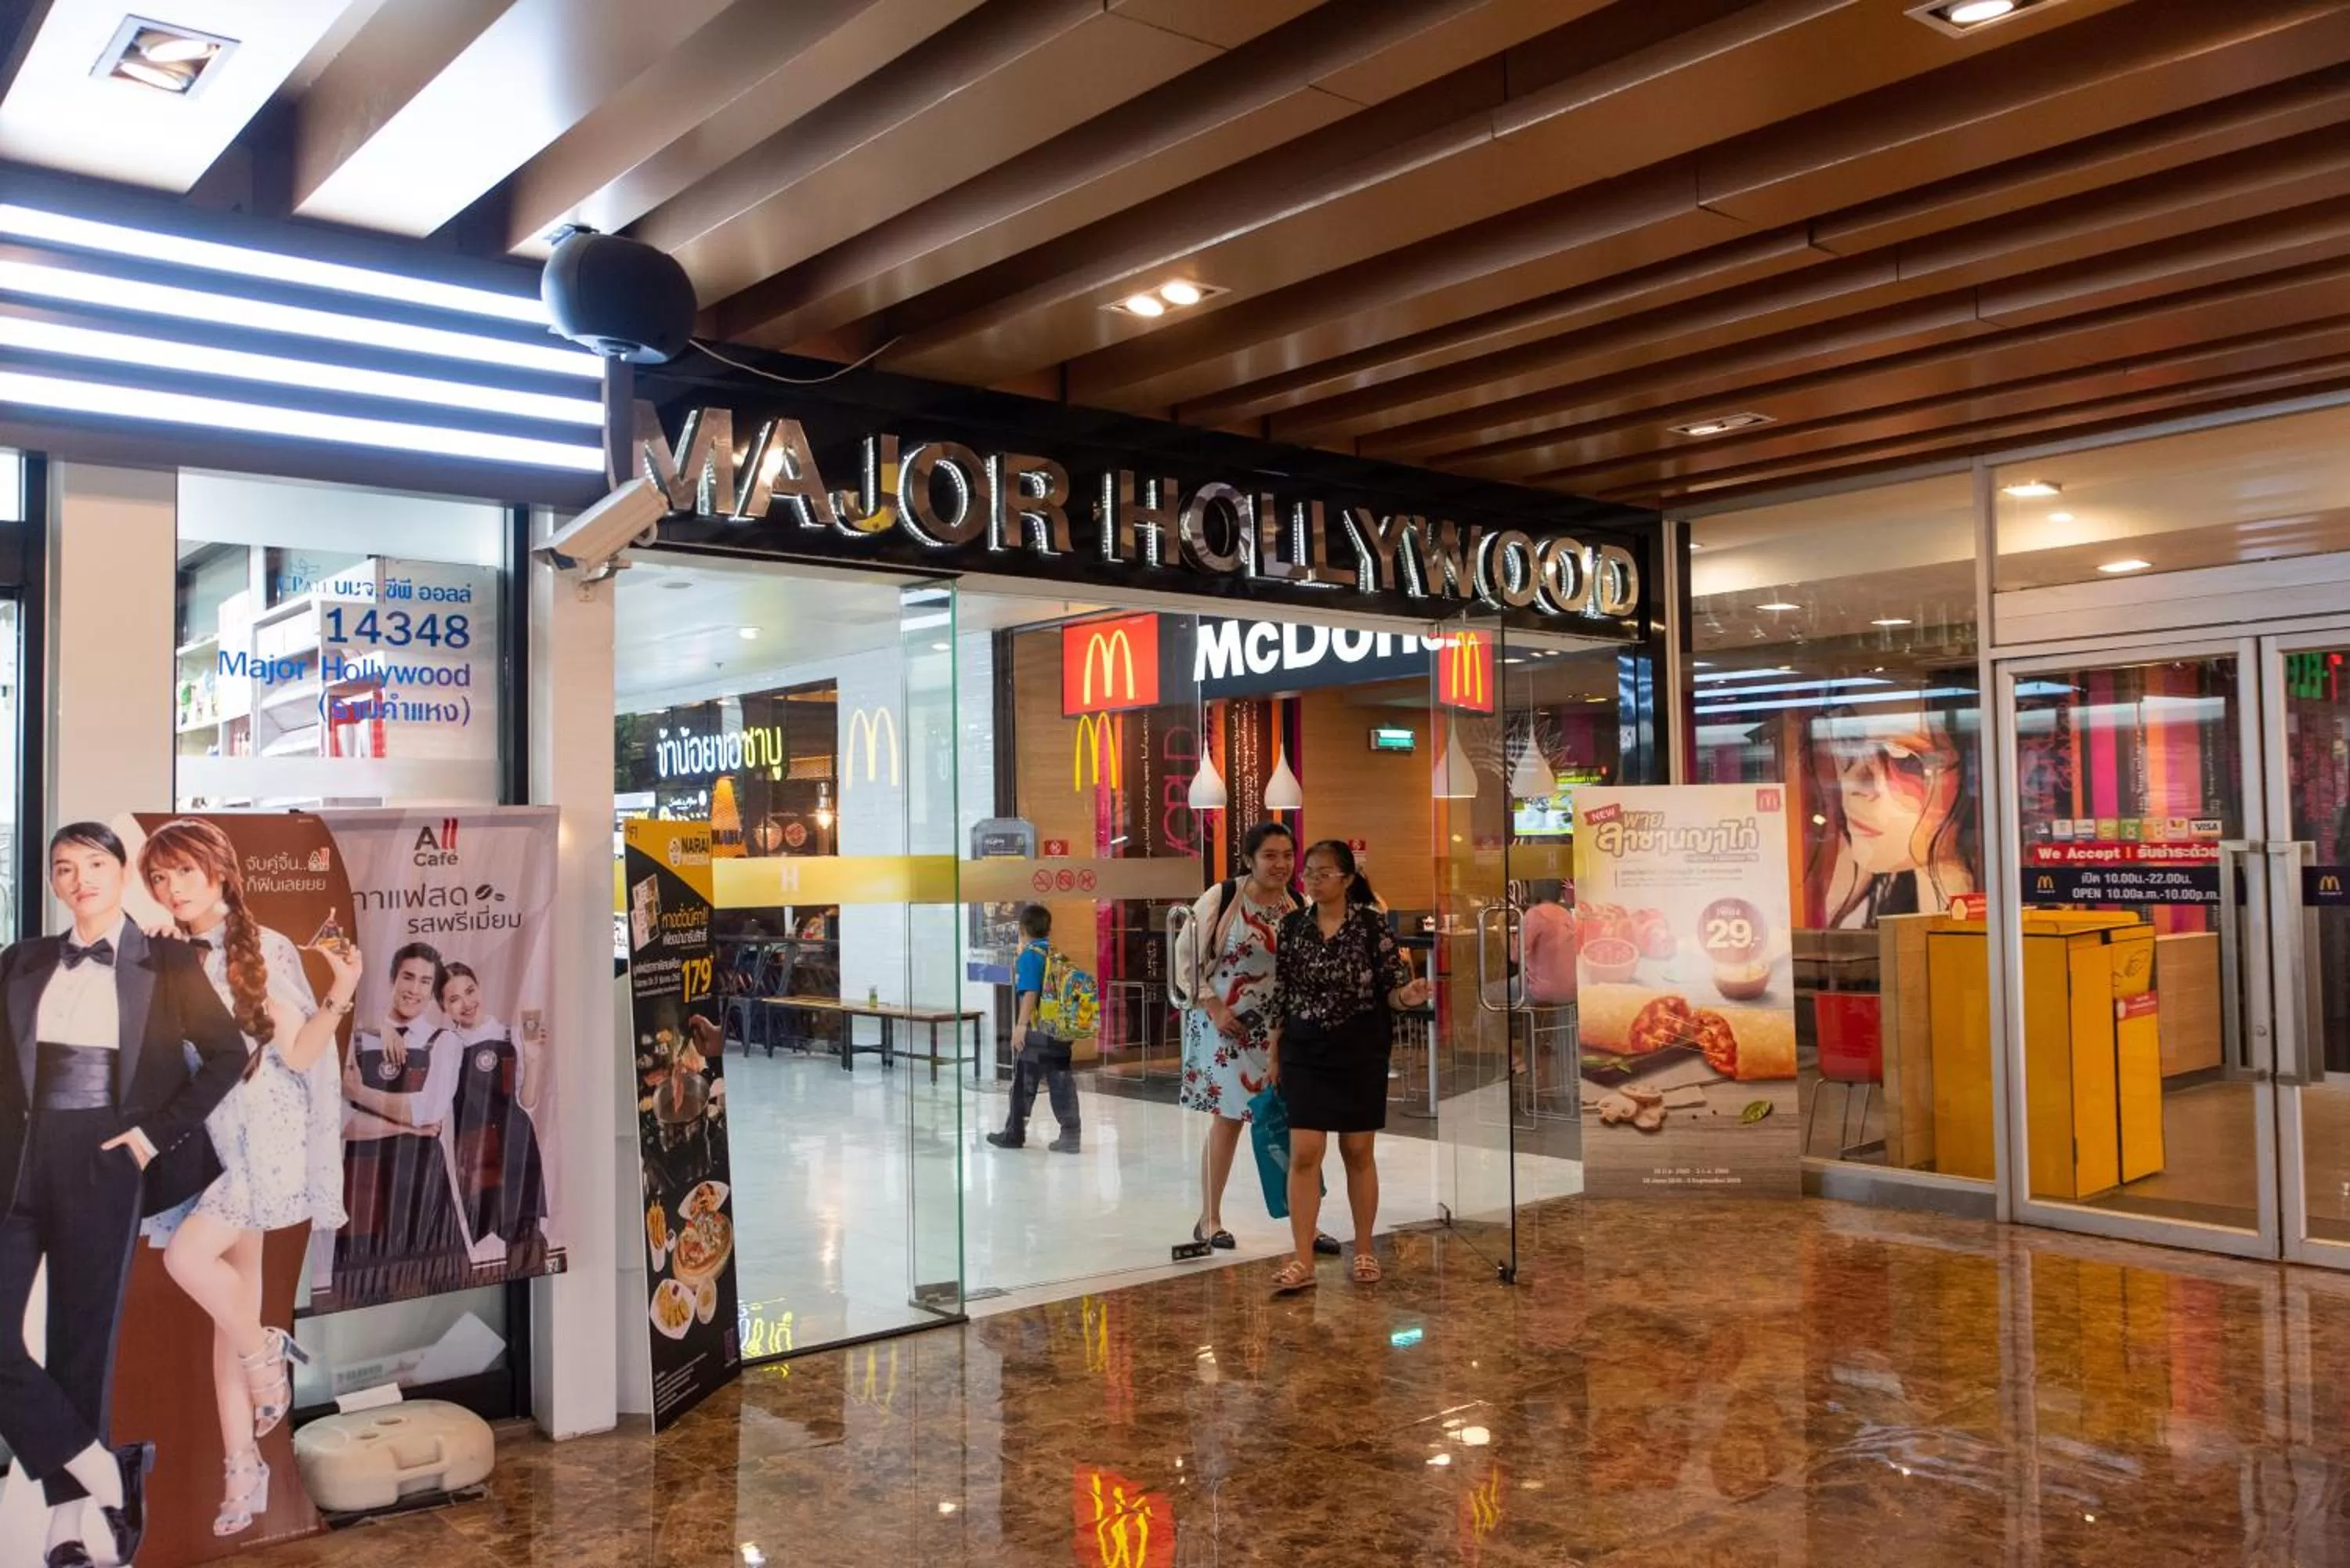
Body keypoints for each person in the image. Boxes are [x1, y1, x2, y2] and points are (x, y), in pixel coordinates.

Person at [0, 823, 250, 1568]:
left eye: (96, 864)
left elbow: (228, 1055)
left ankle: (67, 1529)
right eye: (64, 868)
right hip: (17, 1159)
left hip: (104, 1159)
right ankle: (102, 1465)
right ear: (51, 883)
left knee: (81, 1343)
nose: (80, 879)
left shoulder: (168, 959)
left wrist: (152, 1137)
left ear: (120, 875)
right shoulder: (20, 961)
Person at [136, 818, 363, 1537]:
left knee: (188, 1259)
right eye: (160, 878)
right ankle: (245, 1468)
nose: (171, 888)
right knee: (226, 1317)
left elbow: (296, 1054)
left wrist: (342, 990)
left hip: (268, 1133)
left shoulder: (263, 948)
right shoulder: (163, 954)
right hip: (213, 1140)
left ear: (220, 872)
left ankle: (268, 1356)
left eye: (183, 873)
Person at [1264, 841, 1430, 1294]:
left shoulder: (1373, 926)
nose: (1313, 881)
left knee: (1358, 1153)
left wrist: (1408, 996)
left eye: (1324, 873)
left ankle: (1364, 1249)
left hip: (1360, 1050)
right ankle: (1302, 1259)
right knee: (1304, 1153)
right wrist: (1274, 1053)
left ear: (1347, 879)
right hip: (1305, 1052)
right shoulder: (1293, 926)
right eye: (1309, 874)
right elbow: (1282, 992)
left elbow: (1392, 992)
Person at [1176, 822, 1339, 1254]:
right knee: (1228, 1119)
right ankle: (1209, 1219)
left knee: (1294, 1122)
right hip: (1224, 1024)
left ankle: (1307, 1224)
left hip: (1279, 1031)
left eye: (1288, 855)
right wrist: (1213, 1006)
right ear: (1250, 859)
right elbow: (1186, 955)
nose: (1281, 864)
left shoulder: (1299, 903)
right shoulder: (1223, 897)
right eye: (1270, 855)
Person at [337, 943, 470, 1300]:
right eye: (408, 977)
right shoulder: (356, 1038)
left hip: (421, 1183)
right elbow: (341, 1125)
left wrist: (358, 1092)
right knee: (359, 1292)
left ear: (433, 990)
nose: (414, 989)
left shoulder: (446, 1042)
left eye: (425, 982)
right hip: (363, 1184)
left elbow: (427, 1111)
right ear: (392, 979)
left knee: (434, 1288)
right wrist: (405, 1125)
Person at [1807, 699, 1976, 928]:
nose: (1853, 782)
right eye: (1850, 743)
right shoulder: (1874, 899)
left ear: (1972, 775)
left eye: (1905, 759)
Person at [436, 962, 551, 1274]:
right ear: (444, 1008)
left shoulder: (508, 1033)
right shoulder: (446, 1045)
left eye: (470, 991)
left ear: (480, 989)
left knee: (526, 1237)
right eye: (454, 999)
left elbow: (527, 1101)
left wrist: (532, 1057)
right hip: (475, 1153)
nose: (466, 1003)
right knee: (488, 1233)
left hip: (516, 1145)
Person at [985, 905, 1079, 1154]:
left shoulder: (1029, 955)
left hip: (1038, 1031)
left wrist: (1020, 1025)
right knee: (1062, 1082)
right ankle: (1071, 1135)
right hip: (1060, 1031)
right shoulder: (1056, 954)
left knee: (1023, 1084)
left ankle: (1014, 1133)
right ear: (1049, 929)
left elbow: (1031, 992)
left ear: (1022, 929)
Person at [1519, 880, 1578, 1005]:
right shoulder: (1566, 914)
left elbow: (1515, 955)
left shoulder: (1535, 914)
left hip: (1542, 992)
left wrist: (1501, 926)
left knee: (1490, 991)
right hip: (1573, 991)